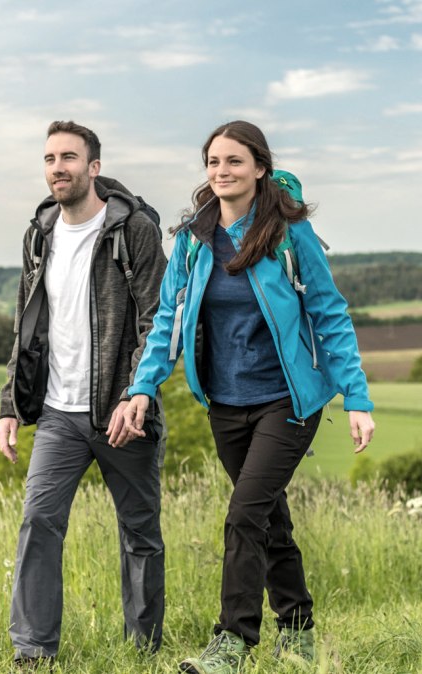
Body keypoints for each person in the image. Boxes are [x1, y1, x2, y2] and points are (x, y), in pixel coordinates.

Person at [108, 120, 376, 673]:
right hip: (226, 405)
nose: (222, 172)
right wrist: (141, 387)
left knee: (243, 515)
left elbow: (330, 313)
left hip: (289, 401)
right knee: (268, 518)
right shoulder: (192, 241)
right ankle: (298, 629)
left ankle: (232, 642)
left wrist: (356, 397)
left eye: (234, 161)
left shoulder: (288, 233)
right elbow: (167, 323)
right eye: (213, 163)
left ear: (259, 167)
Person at [0, 120, 168, 669]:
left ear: (94, 167)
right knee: (38, 522)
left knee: (139, 533)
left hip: (122, 413)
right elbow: (25, 326)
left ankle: (142, 650)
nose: (57, 168)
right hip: (56, 414)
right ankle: (32, 651)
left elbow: (156, 320)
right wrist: (10, 404)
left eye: (69, 157)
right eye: (49, 158)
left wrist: (136, 394)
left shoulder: (132, 230)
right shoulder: (39, 232)